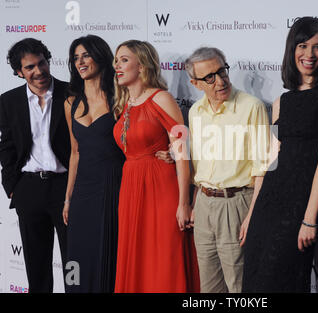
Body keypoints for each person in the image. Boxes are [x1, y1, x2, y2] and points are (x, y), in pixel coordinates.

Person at [241, 17, 318, 292]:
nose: (309, 54)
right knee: (255, 280)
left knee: (283, 279)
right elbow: (270, 161)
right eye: (302, 45)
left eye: (317, 47)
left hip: (300, 205)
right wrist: (251, 214)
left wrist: (310, 218)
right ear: (292, 49)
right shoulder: (280, 102)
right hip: (268, 202)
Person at [112, 40, 200, 293]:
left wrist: (184, 203)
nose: (117, 66)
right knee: (138, 257)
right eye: (116, 60)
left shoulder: (161, 98)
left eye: (124, 60)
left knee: (163, 258)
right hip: (131, 187)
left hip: (161, 188)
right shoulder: (124, 103)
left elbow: (182, 153)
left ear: (142, 65)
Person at [186, 47, 270, 293]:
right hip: (203, 205)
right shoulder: (194, 112)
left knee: (239, 284)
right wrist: (195, 202)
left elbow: (263, 168)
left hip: (236, 204)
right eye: (209, 77)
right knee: (209, 287)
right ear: (195, 83)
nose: (220, 81)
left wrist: (252, 214)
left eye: (222, 71)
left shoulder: (252, 107)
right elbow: (199, 164)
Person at [0, 38, 70, 292]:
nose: (38, 71)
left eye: (41, 63)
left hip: (66, 189)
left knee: (74, 262)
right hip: (28, 189)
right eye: (30, 67)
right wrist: (11, 186)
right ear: (19, 72)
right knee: (36, 265)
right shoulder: (8, 101)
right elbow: (6, 146)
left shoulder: (71, 93)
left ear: (48, 60)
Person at [63, 35, 125, 293]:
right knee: (77, 255)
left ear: (100, 56)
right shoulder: (70, 103)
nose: (80, 62)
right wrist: (67, 198)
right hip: (82, 192)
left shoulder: (120, 98)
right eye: (76, 58)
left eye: (86, 55)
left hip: (113, 185)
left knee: (107, 252)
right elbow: (75, 152)